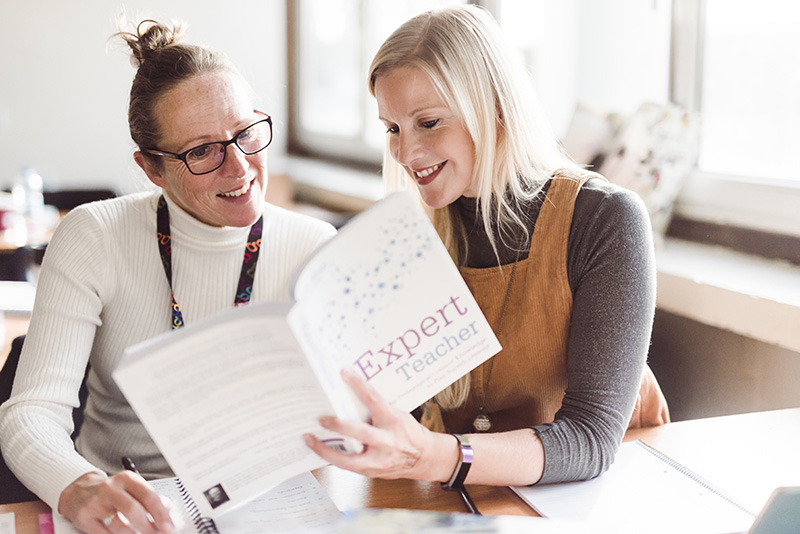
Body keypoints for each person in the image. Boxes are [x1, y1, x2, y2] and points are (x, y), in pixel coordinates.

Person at [305, 4, 668, 491]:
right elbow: (401, 415)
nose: (406, 153)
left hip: (591, 497)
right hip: (471, 496)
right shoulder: (408, 233)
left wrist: (439, 458)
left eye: (429, 122)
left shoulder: (604, 219)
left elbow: (591, 439)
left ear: (494, 110)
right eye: (392, 128)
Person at [0, 18, 335, 533]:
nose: (240, 167)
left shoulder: (316, 248)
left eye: (246, 134)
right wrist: (79, 485)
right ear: (152, 169)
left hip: (272, 509)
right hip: (130, 511)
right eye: (202, 151)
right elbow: (30, 414)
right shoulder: (96, 235)